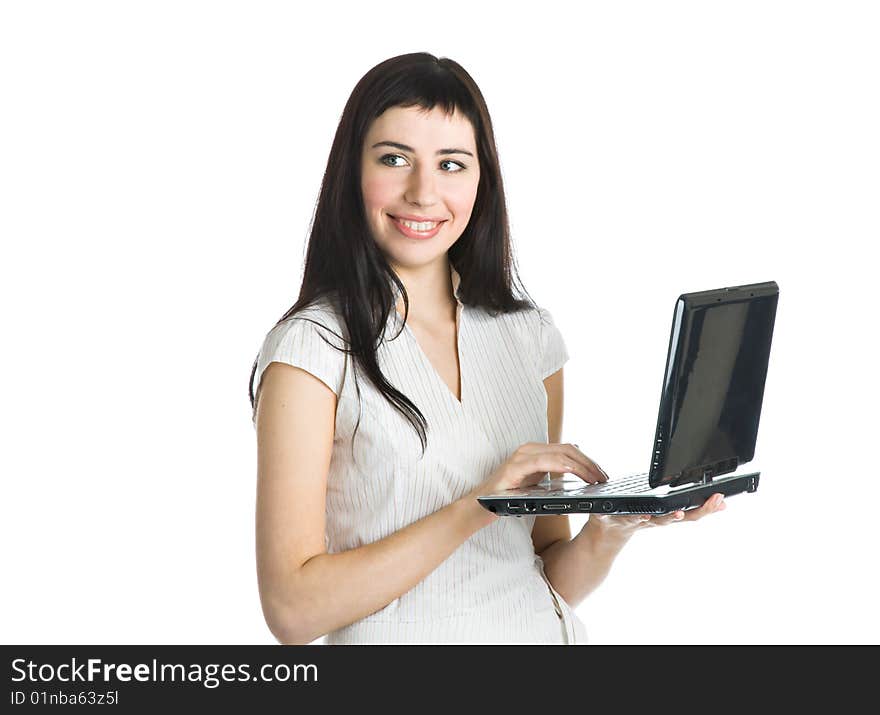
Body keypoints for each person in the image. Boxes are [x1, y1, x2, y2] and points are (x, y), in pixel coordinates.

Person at [248, 52, 725, 645]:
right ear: (352, 171)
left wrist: (611, 526)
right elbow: (293, 612)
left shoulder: (529, 338)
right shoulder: (312, 350)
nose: (424, 192)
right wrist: (481, 503)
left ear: (482, 180)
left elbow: (542, 578)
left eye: (451, 164)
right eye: (394, 159)